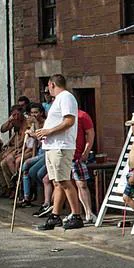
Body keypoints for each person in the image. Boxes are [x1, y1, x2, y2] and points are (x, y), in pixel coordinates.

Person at [33, 75, 83, 231]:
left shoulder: (66, 97)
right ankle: (55, 216)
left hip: (61, 146)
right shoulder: (58, 100)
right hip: (52, 146)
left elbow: (69, 121)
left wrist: (49, 131)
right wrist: (38, 133)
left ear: (52, 84)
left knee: (64, 181)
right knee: (57, 182)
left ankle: (76, 215)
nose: (47, 90)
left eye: (48, 87)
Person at [17, 103, 46, 206]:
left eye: (36, 112)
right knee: (25, 168)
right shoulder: (32, 124)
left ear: (41, 113)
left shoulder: (45, 123)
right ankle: (26, 197)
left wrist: (35, 125)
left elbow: (39, 138)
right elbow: (34, 144)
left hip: (45, 153)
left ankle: (35, 194)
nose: (34, 115)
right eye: (32, 113)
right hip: (38, 152)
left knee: (27, 165)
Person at [72, 108, 97, 216]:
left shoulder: (82, 115)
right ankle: (75, 212)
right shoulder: (58, 115)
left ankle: (88, 212)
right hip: (63, 155)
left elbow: (90, 134)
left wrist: (86, 152)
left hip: (77, 155)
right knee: (64, 185)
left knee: (81, 184)